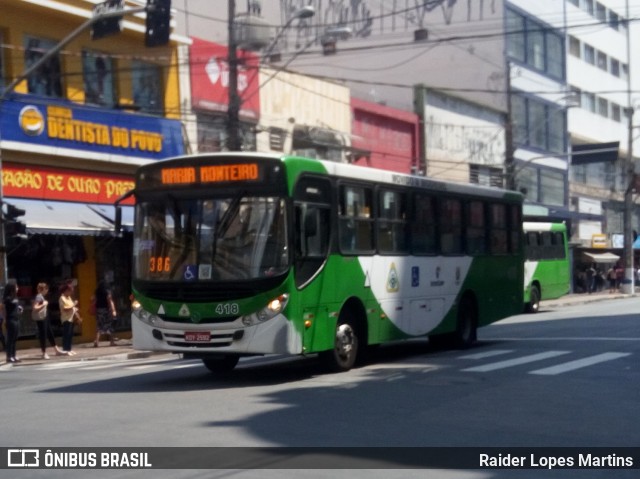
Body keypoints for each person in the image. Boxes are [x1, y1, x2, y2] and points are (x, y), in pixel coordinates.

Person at [32, 282, 65, 359]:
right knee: (43, 335)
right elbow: (35, 307)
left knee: (50, 333)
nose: (47, 291)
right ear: (42, 289)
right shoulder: (39, 297)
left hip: (45, 317)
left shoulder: (41, 297)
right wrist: (44, 304)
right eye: (46, 289)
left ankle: (56, 349)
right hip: (41, 318)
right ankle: (44, 353)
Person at [92, 281, 117, 347]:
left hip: (99, 310)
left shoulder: (97, 292)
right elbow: (110, 300)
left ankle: (96, 341)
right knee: (110, 325)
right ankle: (112, 342)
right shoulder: (107, 292)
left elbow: (94, 299)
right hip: (106, 310)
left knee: (99, 326)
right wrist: (113, 310)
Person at [3, 283, 23, 363]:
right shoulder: (8, 298)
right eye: (16, 287)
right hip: (10, 320)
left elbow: (16, 304)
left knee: (15, 338)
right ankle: (9, 356)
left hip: (16, 318)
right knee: (10, 339)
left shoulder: (15, 298)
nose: (17, 289)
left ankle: (13, 355)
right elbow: (10, 303)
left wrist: (19, 308)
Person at [58, 282, 78, 356]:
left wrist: (75, 308)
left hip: (71, 318)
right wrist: (74, 304)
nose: (71, 292)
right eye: (70, 290)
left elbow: (71, 307)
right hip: (66, 318)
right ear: (66, 290)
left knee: (70, 335)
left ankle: (69, 348)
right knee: (66, 335)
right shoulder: (62, 298)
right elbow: (65, 308)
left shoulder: (69, 298)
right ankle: (65, 349)